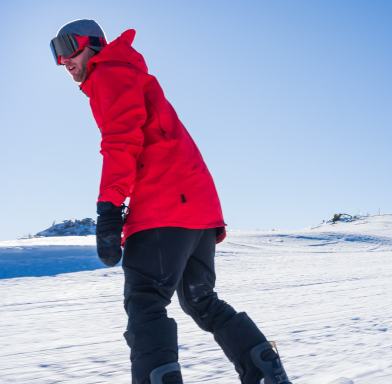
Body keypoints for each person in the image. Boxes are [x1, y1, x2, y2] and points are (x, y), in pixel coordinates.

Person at [50, 19, 292, 384]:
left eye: (70, 47)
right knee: (201, 300)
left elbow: (120, 142)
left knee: (145, 302)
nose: (64, 59)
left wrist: (109, 207)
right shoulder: (131, 75)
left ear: (94, 45)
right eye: (56, 53)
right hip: (199, 211)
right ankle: (265, 374)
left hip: (163, 209)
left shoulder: (109, 74)